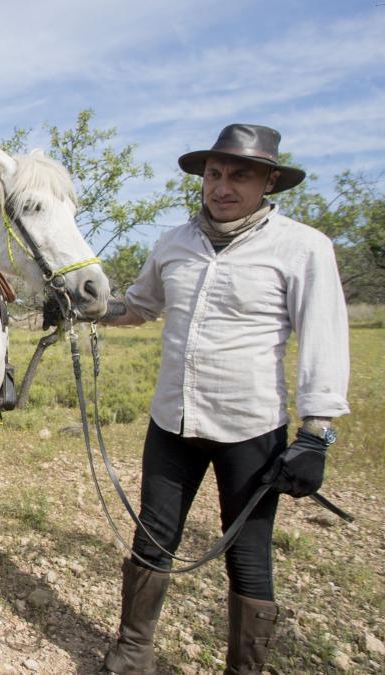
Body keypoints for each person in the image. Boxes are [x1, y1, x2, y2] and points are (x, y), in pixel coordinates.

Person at [99, 124, 349, 673]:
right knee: (152, 539)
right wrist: (93, 308)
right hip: (173, 423)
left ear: (270, 182)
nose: (223, 185)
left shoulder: (304, 247)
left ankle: (244, 668)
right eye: (215, 173)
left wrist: (315, 434)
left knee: (248, 557)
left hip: (251, 429)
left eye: (241, 174)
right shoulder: (174, 243)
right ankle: (132, 653)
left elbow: (324, 338)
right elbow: (141, 305)